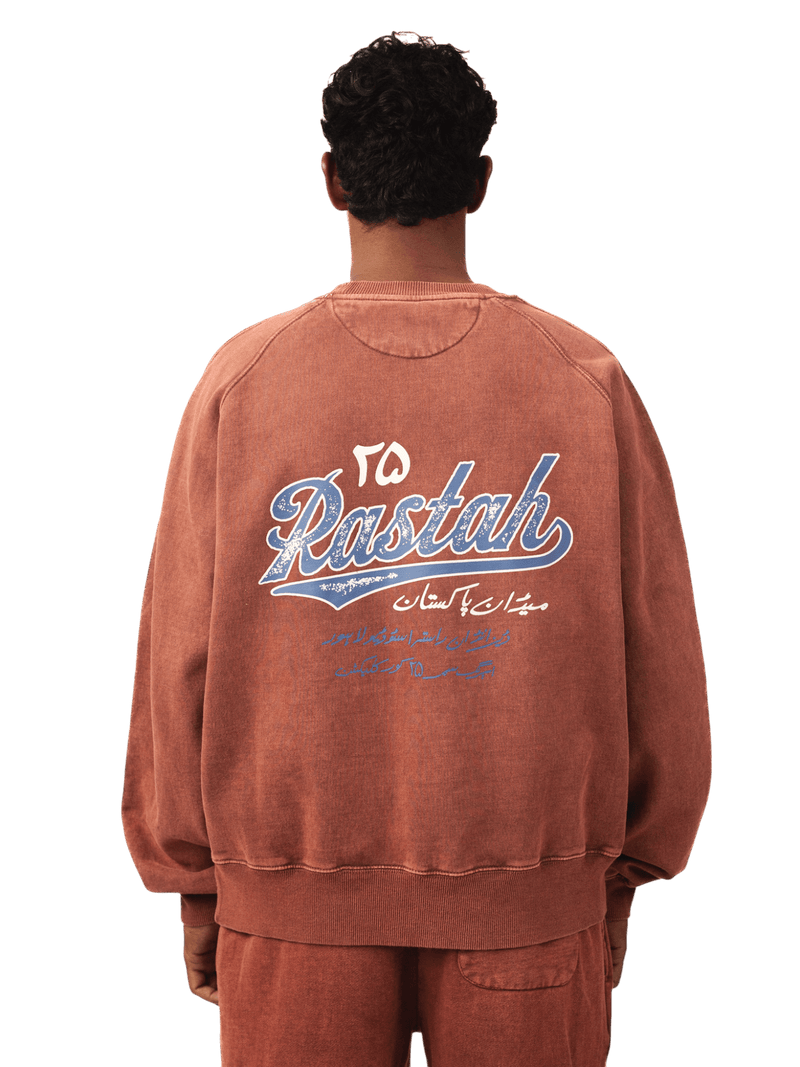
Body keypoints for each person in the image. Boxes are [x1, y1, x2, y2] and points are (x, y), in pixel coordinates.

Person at [120, 28, 713, 1067]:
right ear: (479, 182)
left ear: (330, 179)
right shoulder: (583, 376)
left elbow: (178, 654)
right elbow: (657, 648)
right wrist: (619, 870)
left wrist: (196, 878)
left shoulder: (242, 380)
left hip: (290, 915)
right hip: (530, 905)